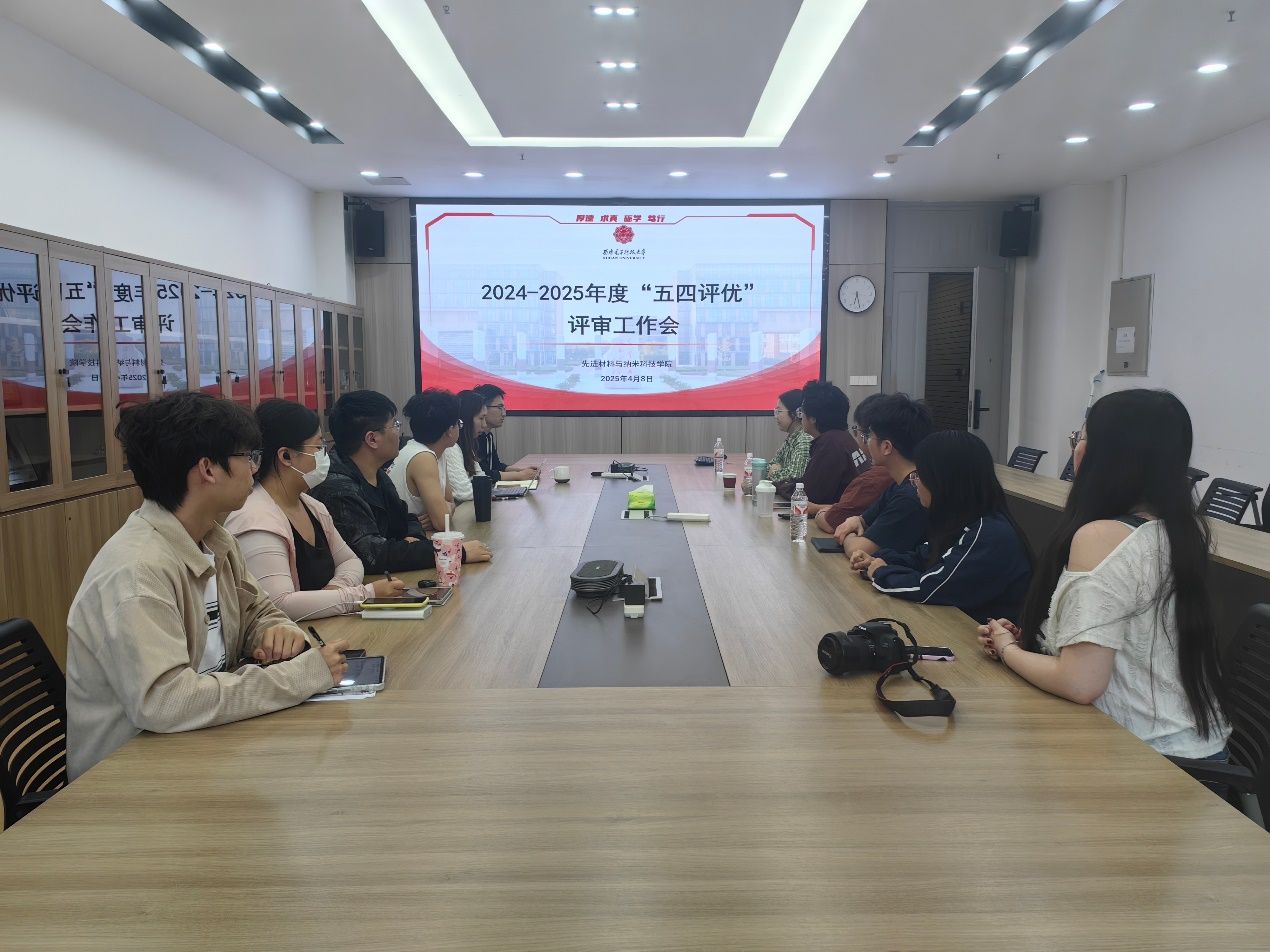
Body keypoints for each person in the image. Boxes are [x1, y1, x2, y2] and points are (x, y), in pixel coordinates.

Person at [65, 392, 348, 780]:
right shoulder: (137, 572)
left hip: (200, 750)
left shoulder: (213, 538)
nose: (254, 469)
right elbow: (166, 701)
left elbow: (259, 611)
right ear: (208, 469)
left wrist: (274, 631)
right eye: (247, 457)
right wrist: (299, 676)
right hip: (132, 779)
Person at [977, 389, 1230, 759]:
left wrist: (1007, 649)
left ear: (1108, 456)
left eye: (1080, 437)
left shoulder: (1101, 537)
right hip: (1195, 746)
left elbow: (1080, 682)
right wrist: (1038, 643)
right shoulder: (1181, 531)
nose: (1076, 448)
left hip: (1151, 758)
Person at [224, 399, 405, 621]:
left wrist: (333, 592)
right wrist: (364, 595)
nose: (324, 456)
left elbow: (351, 561)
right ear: (286, 456)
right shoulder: (255, 519)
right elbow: (279, 604)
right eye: (318, 448)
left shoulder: (311, 506)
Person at [309, 390, 490, 573]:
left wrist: (411, 540)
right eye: (395, 425)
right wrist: (454, 551)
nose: (400, 432)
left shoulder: (376, 474)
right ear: (372, 439)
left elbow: (407, 519)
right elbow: (373, 555)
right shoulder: (337, 488)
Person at [861, 430, 1033, 623]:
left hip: (976, 635)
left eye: (920, 475)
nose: (915, 482)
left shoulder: (989, 535)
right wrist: (879, 559)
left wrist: (880, 573)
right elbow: (924, 558)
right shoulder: (960, 520)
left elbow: (930, 588)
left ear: (943, 481)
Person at [836, 393, 933, 558]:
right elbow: (861, 520)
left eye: (869, 436)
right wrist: (855, 522)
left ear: (886, 447)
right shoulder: (901, 483)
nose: (865, 442)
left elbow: (859, 549)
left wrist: (849, 535)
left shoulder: (911, 495)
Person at [814, 393, 892, 533]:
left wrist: (821, 511)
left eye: (857, 430)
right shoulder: (912, 473)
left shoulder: (874, 479)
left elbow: (830, 522)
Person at [775, 380, 860, 507]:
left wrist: (779, 485)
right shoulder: (842, 437)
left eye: (802, 411)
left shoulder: (830, 444)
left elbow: (808, 495)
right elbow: (809, 482)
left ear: (813, 418)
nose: (801, 416)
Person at [392, 389, 461, 533]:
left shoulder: (438, 452)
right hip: (403, 538)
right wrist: (443, 512)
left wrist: (443, 510)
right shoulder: (422, 457)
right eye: (458, 424)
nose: (459, 427)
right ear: (450, 430)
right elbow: (442, 522)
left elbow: (450, 501)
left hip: (420, 535)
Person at [474, 383, 539, 481]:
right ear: (483, 408)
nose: (504, 414)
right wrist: (520, 475)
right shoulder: (474, 438)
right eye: (499, 407)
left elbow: (496, 466)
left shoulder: (488, 435)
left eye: (504, 408)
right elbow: (483, 474)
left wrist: (521, 471)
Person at [445, 389, 488, 503]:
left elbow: (482, 480)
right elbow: (465, 494)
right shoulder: (450, 447)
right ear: (466, 418)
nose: (484, 425)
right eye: (481, 418)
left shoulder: (466, 445)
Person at [766, 388, 812, 483]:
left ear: (796, 413)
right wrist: (774, 469)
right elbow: (772, 464)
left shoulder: (804, 440)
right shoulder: (792, 437)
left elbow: (794, 476)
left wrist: (774, 473)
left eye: (779, 411)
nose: (776, 416)